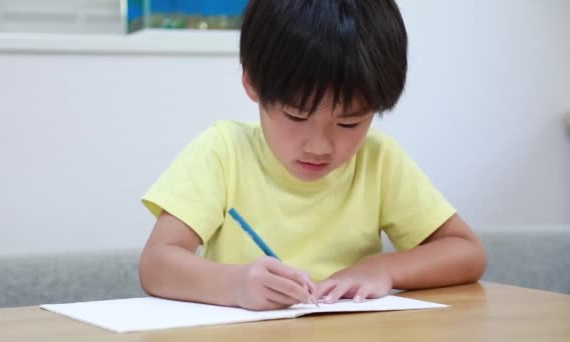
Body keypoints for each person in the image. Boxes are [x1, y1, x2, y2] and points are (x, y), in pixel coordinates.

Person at [139, 0, 487, 311]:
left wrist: (380, 269)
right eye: (296, 117)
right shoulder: (223, 151)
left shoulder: (377, 160)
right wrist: (235, 284)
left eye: (349, 123)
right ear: (252, 83)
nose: (319, 146)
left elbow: (467, 252)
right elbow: (156, 264)